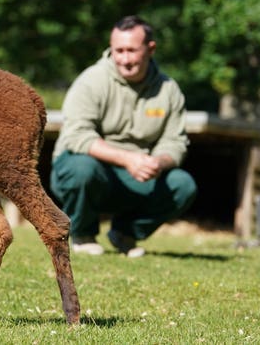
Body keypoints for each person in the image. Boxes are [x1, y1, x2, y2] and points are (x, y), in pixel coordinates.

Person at [50, 15, 197, 257]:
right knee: (82, 169)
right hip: (86, 169)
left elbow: (176, 143)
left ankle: (124, 233)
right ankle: (83, 234)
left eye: (131, 50)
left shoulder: (168, 90)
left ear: (151, 49)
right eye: (118, 51)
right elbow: (77, 135)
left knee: (182, 185)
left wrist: (157, 162)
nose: (124, 59)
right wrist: (128, 159)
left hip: (136, 176)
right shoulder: (92, 80)